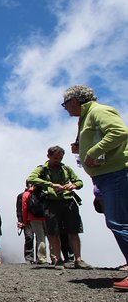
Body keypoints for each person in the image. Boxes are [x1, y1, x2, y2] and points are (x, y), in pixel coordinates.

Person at [60, 85, 128, 287]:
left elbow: (119, 132)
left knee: (119, 222)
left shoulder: (98, 111)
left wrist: (91, 152)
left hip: (116, 173)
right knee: (120, 221)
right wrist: (81, 149)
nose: (65, 109)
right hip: (108, 174)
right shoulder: (87, 117)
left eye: (65, 104)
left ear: (74, 101)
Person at [27, 146, 91, 270]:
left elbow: (79, 182)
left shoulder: (66, 168)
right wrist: (51, 184)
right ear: (48, 156)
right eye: (55, 158)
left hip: (69, 202)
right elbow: (31, 178)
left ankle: (78, 259)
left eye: (60, 158)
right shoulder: (42, 169)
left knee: (73, 231)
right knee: (53, 232)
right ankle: (58, 259)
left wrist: (74, 185)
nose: (58, 160)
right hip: (51, 203)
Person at [18, 182, 52, 265]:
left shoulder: (24, 195)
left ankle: (36, 258)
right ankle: (52, 258)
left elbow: (22, 209)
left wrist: (23, 221)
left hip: (31, 219)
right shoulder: (47, 193)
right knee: (49, 238)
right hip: (45, 218)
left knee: (33, 238)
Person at [16, 187, 36, 263]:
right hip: (27, 220)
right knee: (31, 238)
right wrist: (20, 221)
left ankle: (34, 258)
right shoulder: (21, 196)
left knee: (31, 238)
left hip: (30, 219)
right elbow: (19, 209)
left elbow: (18, 210)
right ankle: (31, 258)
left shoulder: (38, 194)